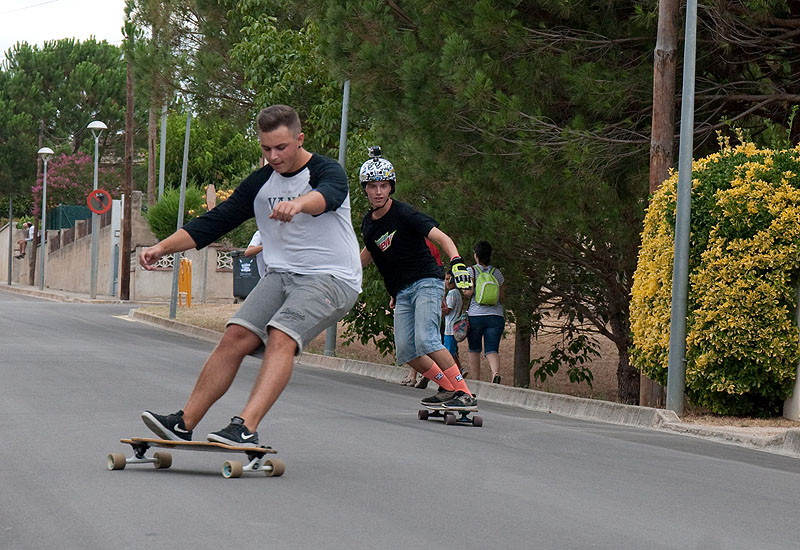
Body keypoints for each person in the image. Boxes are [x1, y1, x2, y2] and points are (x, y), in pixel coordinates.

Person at [138, 105, 362, 447]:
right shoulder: (260, 184)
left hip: (330, 279)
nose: (273, 156)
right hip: (280, 277)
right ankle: (183, 422)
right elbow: (214, 222)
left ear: (299, 139)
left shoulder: (325, 171)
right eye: (266, 148)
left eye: (281, 147)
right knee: (234, 337)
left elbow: (328, 197)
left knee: (281, 336)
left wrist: (299, 204)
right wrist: (161, 248)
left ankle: (246, 426)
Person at [358, 146, 477, 410]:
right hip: (402, 291)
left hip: (426, 282)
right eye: (372, 186)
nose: (378, 191)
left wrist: (456, 261)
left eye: (383, 185)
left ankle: (464, 393)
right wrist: (348, 274)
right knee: (407, 351)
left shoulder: (404, 213)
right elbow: (372, 253)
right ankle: (447, 388)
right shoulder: (368, 224)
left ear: (391, 187)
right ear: (365, 188)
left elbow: (442, 237)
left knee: (426, 340)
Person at [463, 241, 505, 383]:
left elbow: (468, 293)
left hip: (476, 315)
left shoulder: (471, 271)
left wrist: (463, 291)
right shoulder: (497, 273)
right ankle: (495, 373)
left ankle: (476, 380)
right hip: (496, 315)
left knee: (474, 348)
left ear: (476, 255)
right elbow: (501, 296)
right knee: (492, 349)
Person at [441, 271, 466, 378]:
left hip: (450, 328)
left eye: (448, 279)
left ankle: (449, 375)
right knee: (453, 352)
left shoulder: (452, 293)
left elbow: (447, 310)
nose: (446, 282)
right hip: (453, 326)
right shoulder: (457, 293)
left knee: (448, 354)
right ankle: (460, 369)